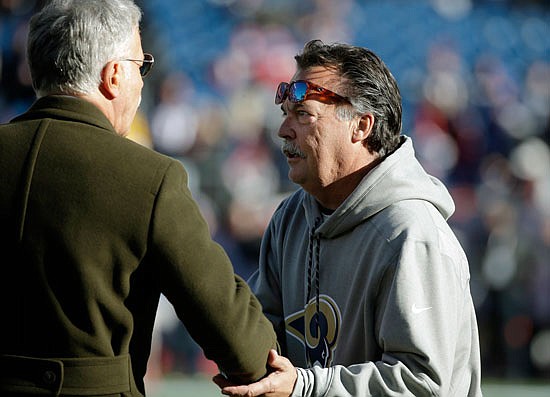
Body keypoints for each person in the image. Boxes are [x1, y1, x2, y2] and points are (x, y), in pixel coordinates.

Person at [0, 0, 276, 395]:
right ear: (113, 76)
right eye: (140, 66)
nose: (144, 81)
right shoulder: (151, 177)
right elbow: (243, 345)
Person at [216, 39, 482, 396]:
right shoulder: (291, 218)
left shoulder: (410, 233)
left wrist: (306, 387)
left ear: (361, 126)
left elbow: (422, 384)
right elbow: (268, 336)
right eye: (285, 114)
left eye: (303, 114)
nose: (283, 131)